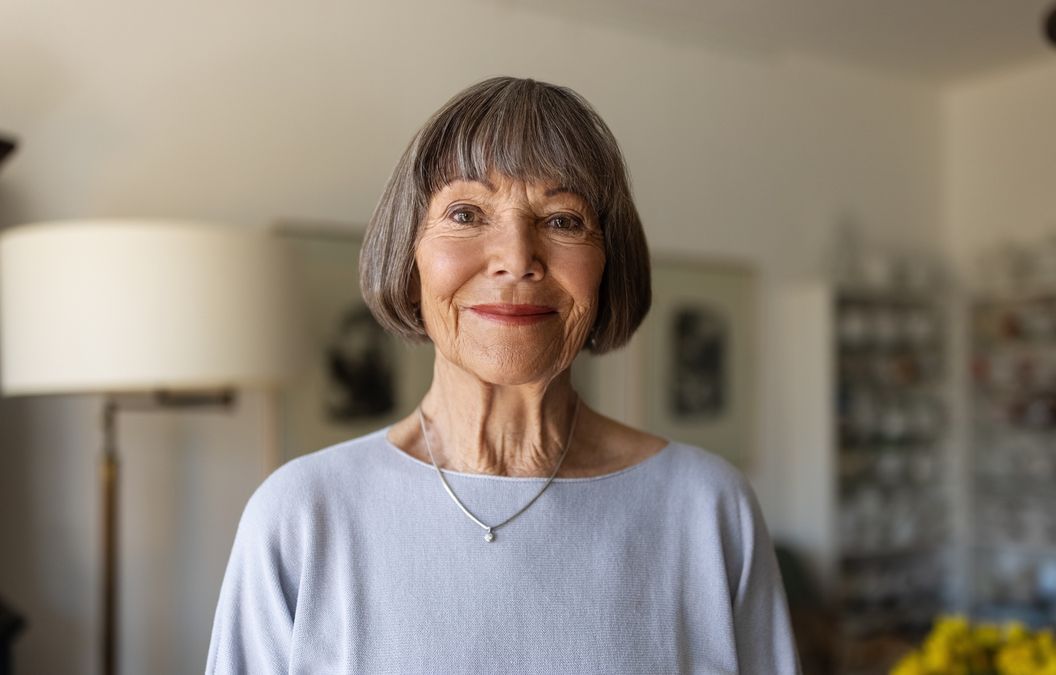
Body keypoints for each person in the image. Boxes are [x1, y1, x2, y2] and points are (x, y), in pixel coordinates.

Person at [206, 76, 799, 674]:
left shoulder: (707, 509)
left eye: (563, 220)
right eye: (466, 213)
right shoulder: (303, 516)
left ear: (607, 265)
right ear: (407, 255)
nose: (516, 256)